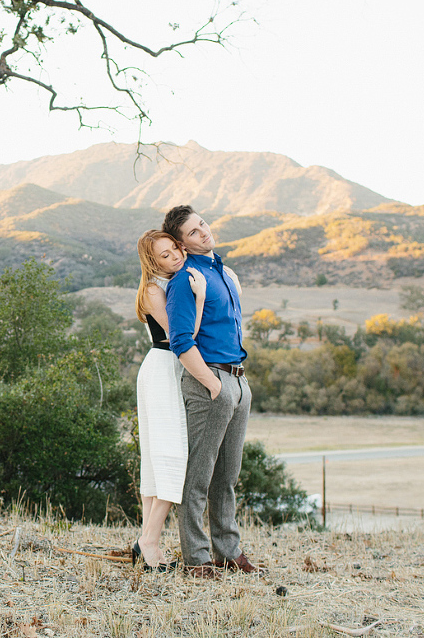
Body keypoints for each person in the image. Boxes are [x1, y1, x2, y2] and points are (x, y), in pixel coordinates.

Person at [161, 204, 262, 576]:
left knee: (228, 474)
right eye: (192, 232)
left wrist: (236, 385)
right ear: (181, 243)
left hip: (239, 379)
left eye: (202, 224)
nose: (203, 232)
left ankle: (228, 550)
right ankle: (197, 558)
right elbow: (181, 341)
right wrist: (214, 385)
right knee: (199, 474)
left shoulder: (223, 273)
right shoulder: (185, 280)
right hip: (210, 383)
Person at [132, 230, 205, 570]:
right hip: (162, 369)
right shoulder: (152, 290)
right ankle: (149, 540)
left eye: (175, 248)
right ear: (152, 261)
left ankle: (147, 542)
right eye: (164, 254)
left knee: (157, 459)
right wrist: (201, 299)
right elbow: (183, 335)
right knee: (171, 455)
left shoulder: (173, 281)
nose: (175, 255)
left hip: (168, 370)